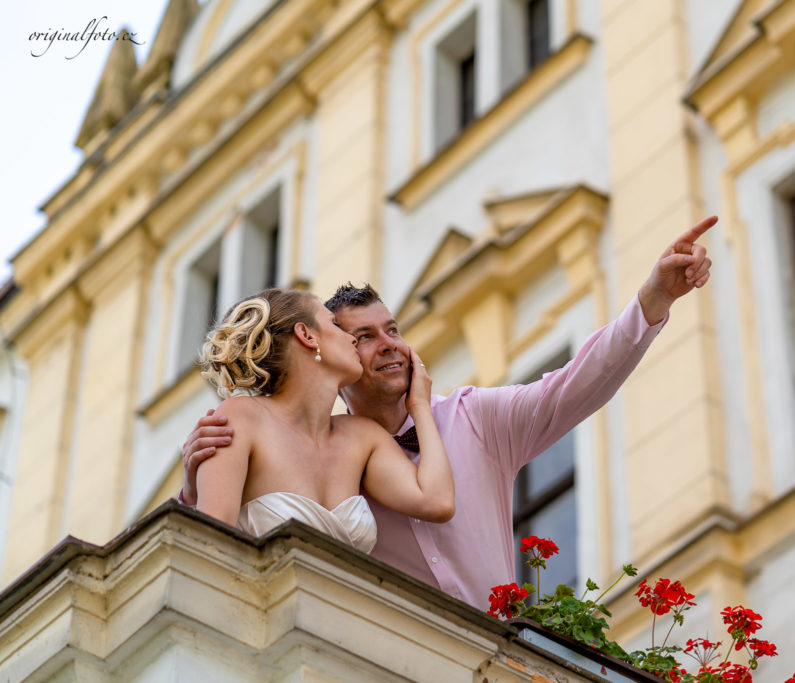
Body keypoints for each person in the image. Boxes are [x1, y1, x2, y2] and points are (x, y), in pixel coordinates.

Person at [181, 217, 716, 610]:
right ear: (321, 345)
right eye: (363, 337)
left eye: (393, 330)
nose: (389, 345)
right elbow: (213, 536)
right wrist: (193, 485)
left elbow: (575, 386)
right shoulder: (315, 436)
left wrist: (652, 300)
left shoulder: (475, 418)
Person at [193, 288, 454, 553]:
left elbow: (437, 502)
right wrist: (194, 489)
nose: (351, 340)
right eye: (335, 325)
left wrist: (420, 405)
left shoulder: (363, 436)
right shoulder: (240, 418)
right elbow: (210, 546)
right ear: (306, 335)